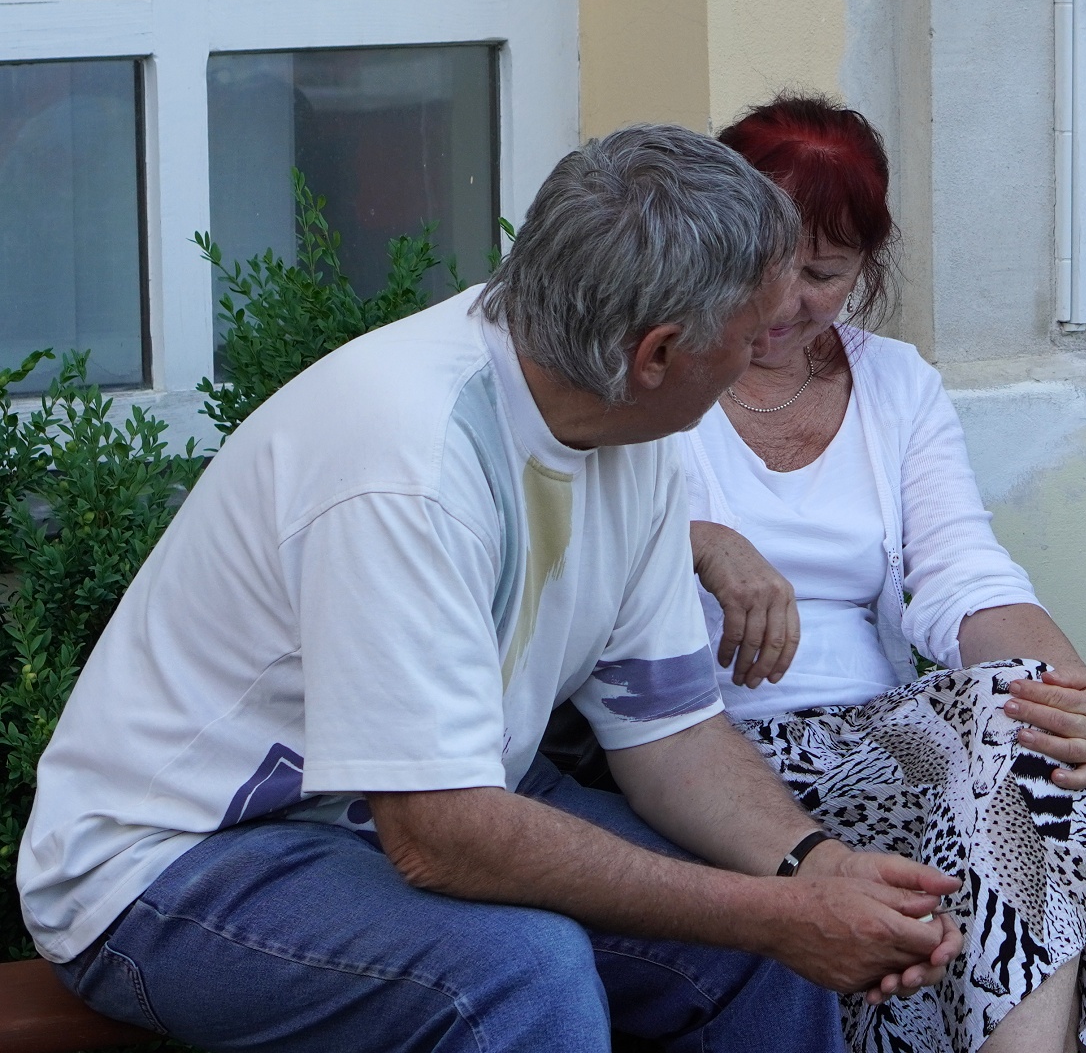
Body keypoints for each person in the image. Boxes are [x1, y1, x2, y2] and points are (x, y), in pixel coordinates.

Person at [18, 124, 966, 1053]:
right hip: (175, 863)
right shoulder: (408, 463)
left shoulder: (623, 417)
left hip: (423, 807)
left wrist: (814, 871)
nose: (768, 349)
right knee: (522, 970)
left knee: (757, 949)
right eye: (751, 335)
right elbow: (439, 836)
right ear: (657, 354)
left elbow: (669, 730)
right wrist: (774, 914)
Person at [679, 95, 1086, 1053]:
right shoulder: (660, 367)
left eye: (823, 274)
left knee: (1023, 722)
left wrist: (1067, 690)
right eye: (762, 265)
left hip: (872, 739)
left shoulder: (895, 382)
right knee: (1001, 756)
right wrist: (703, 542)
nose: (784, 302)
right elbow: (590, 535)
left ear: (867, 268)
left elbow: (962, 573)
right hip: (701, 745)